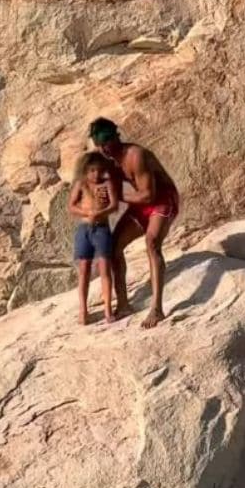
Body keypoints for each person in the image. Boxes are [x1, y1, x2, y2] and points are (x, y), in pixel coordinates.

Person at [89, 117, 181, 329]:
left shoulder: (135, 155)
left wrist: (116, 195)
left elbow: (149, 195)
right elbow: (103, 189)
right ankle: (123, 305)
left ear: (116, 138)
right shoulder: (107, 160)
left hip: (162, 199)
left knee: (152, 242)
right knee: (114, 246)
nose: (103, 149)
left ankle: (157, 308)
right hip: (142, 204)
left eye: (106, 143)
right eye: (99, 145)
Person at [68, 152, 121, 324]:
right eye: (92, 170)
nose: (96, 174)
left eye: (99, 170)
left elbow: (114, 205)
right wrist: (86, 212)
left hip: (102, 228)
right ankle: (83, 310)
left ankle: (108, 309)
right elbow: (72, 206)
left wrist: (101, 212)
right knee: (84, 269)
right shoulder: (81, 184)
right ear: (85, 170)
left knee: (105, 268)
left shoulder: (107, 184)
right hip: (84, 228)